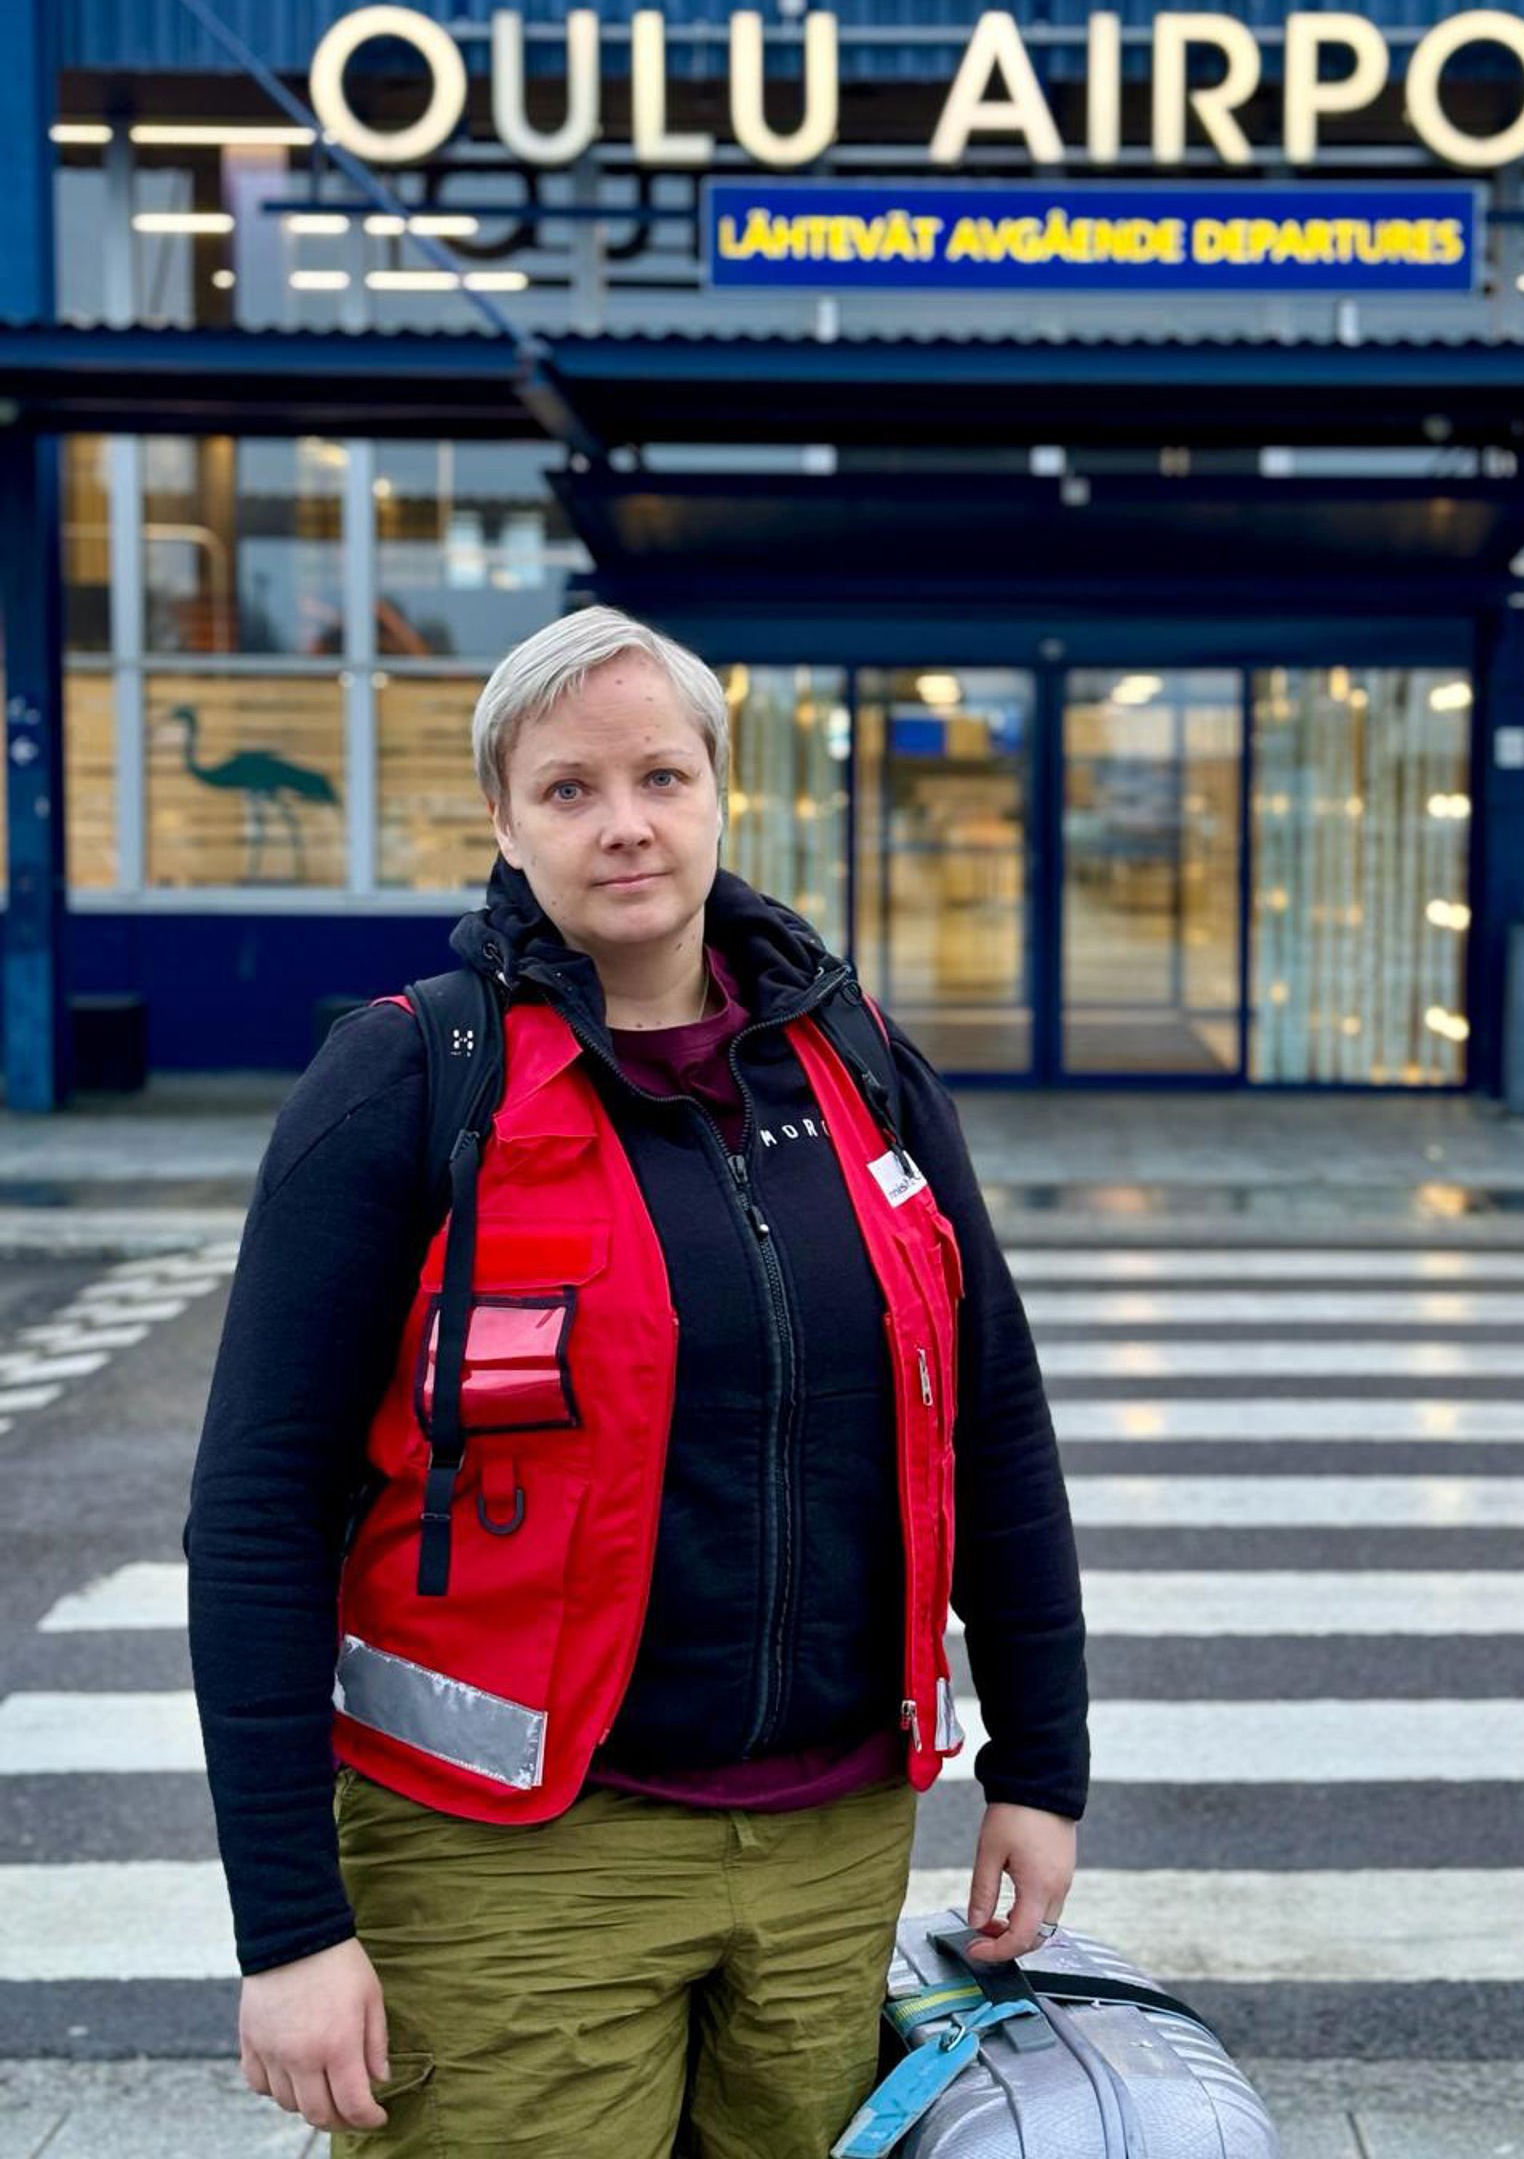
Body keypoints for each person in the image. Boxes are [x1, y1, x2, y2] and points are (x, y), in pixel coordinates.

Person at [184, 606, 1090, 2158]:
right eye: (570, 789)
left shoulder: (851, 1057)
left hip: (832, 1846)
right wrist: (290, 1931)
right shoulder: (411, 1079)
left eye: (662, 777)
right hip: (512, 1867)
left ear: (722, 793)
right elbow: (258, 1516)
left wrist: (1043, 1766)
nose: (625, 826)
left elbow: (991, 1412)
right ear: (503, 818)